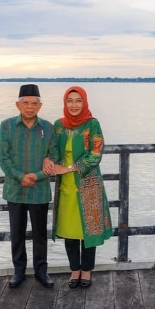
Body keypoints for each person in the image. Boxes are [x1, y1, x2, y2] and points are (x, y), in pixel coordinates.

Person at [44, 86, 112, 288]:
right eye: (70, 101)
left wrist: (72, 168)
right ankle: (75, 269)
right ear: (65, 103)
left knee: (88, 231)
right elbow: (54, 150)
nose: (74, 105)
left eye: (78, 100)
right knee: (70, 230)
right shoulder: (59, 125)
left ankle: (87, 270)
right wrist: (49, 160)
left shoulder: (92, 124)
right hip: (65, 186)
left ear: (85, 102)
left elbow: (96, 152)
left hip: (88, 184)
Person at [0, 84, 55, 289]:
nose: (29, 107)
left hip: (39, 190)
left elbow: (54, 157)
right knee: (17, 233)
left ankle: (41, 272)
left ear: (40, 106)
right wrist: (20, 176)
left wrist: (36, 176)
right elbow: (3, 157)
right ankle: (19, 272)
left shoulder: (48, 128)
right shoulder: (6, 126)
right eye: (25, 103)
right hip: (15, 188)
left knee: (40, 234)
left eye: (34, 103)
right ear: (17, 104)